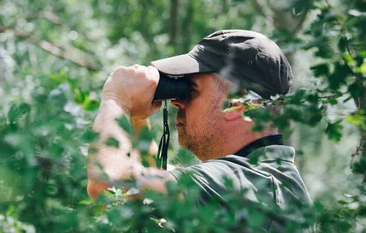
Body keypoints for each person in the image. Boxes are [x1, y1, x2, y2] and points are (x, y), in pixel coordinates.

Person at [87, 29, 312, 211]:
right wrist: (138, 119)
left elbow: (109, 187)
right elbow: (151, 180)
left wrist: (115, 99)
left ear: (238, 103)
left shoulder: (251, 183)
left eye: (191, 91)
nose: (177, 102)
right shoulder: (259, 179)